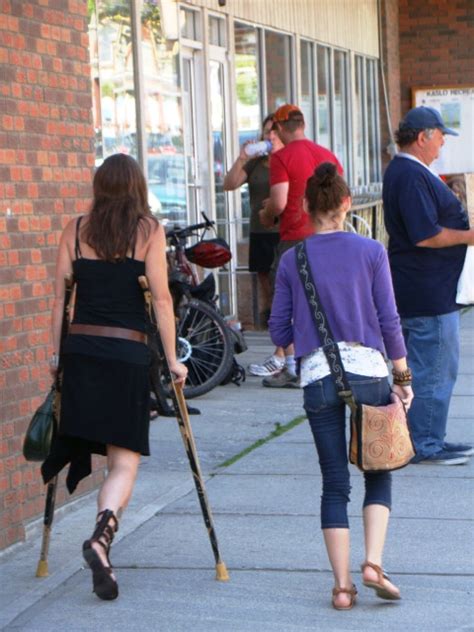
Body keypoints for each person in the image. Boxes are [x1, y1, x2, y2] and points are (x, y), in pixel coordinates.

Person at [42, 154, 187, 600]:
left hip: (82, 351)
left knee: (105, 450)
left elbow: (61, 301)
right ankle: (101, 539)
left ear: (100, 186)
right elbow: (162, 301)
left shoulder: (76, 228)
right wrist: (173, 358)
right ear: (137, 186)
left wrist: (55, 355)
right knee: (124, 460)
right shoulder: (148, 230)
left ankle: (100, 542)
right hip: (127, 353)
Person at [269, 163, 413, 610]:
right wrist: (403, 376)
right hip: (370, 372)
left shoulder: (292, 260)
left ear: (307, 207)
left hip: (318, 377)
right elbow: (389, 319)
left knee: (334, 483)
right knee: (377, 471)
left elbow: (278, 330)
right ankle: (373, 563)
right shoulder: (371, 252)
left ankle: (342, 587)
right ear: (347, 204)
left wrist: (305, 333)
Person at [383, 106, 474, 465]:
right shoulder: (409, 173)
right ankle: (424, 442)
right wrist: (468, 236)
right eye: (438, 138)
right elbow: (425, 235)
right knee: (433, 366)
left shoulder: (412, 171)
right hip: (426, 291)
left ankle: (430, 434)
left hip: (426, 288)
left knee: (430, 364)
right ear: (422, 137)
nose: (441, 146)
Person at [257, 104, 343, 387]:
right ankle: (319, 365)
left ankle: (295, 366)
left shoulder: (282, 157)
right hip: (329, 238)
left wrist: (267, 214)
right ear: (303, 125)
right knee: (321, 302)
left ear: (280, 128)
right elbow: (341, 200)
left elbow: (280, 202)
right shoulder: (328, 156)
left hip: (295, 237)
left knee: (289, 304)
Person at [223, 114, 283, 339]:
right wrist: (241, 159)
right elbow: (229, 184)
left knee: (283, 284)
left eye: (275, 131)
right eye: (267, 131)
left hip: (283, 232)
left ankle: (284, 339)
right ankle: (273, 334)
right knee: (266, 285)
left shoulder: (286, 159)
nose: (270, 136)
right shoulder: (256, 162)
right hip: (260, 230)